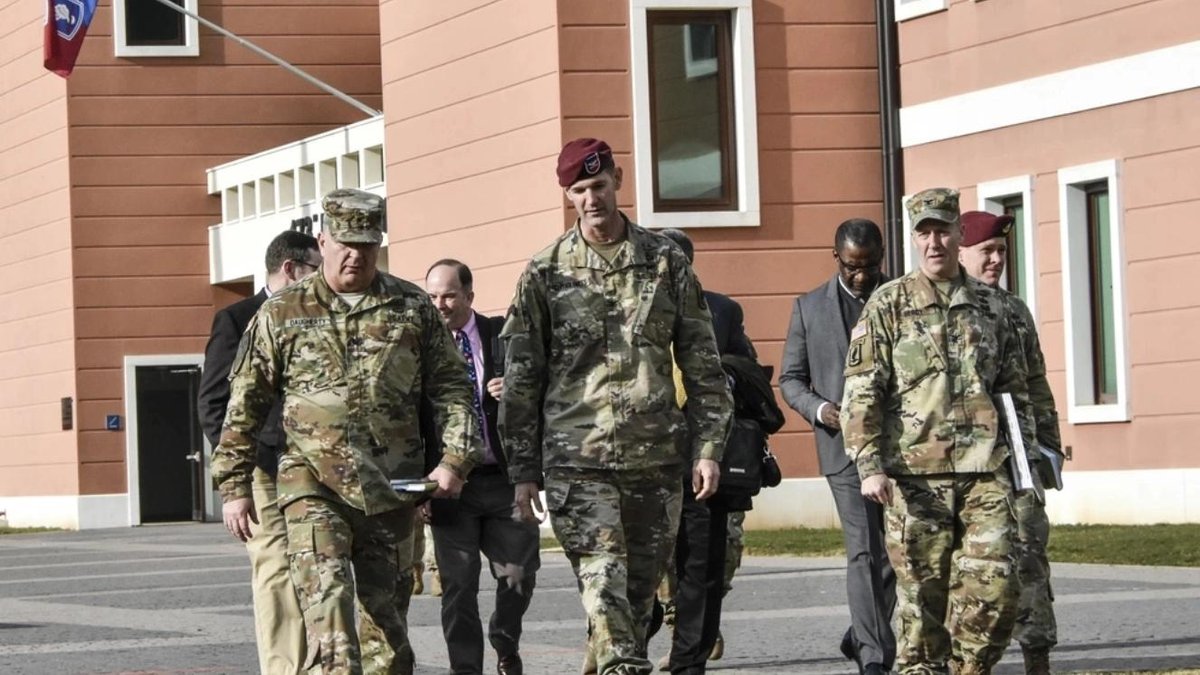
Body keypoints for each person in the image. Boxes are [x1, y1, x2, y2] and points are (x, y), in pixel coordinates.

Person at [211, 188, 483, 675]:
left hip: (392, 489)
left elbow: (453, 388)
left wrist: (453, 460)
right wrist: (234, 486)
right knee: (329, 619)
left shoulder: (411, 306)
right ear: (324, 239)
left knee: (388, 635)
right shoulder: (282, 313)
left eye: (367, 245)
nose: (356, 255)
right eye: (345, 244)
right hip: (311, 486)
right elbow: (245, 403)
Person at [499, 138, 733, 675]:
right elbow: (521, 379)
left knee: (635, 605)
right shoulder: (545, 272)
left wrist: (708, 448)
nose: (591, 199)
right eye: (578, 191)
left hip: (656, 460)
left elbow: (703, 364)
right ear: (568, 197)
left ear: (618, 181)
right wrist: (523, 470)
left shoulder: (665, 261)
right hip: (577, 461)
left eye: (598, 186)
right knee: (602, 586)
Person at [840, 187, 1035, 675]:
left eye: (942, 231)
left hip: (986, 472)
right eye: (924, 232)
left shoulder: (994, 308)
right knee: (920, 605)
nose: (934, 242)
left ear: (957, 233)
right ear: (914, 238)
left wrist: (1029, 463)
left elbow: (1018, 389)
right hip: (913, 479)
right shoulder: (887, 305)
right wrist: (868, 465)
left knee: (997, 587)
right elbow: (862, 391)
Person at [198, 229, 320, 675]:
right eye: (316, 268)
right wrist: (237, 476)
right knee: (277, 571)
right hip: (264, 468)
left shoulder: (321, 314)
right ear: (291, 269)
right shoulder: (237, 319)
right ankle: (285, 668)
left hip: (321, 466)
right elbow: (213, 403)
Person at [779, 218, 896, 675]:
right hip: (842, 451)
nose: (862, 276)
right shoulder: (809, 308)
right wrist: (821, 409)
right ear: (836, 259)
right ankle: (873, 657)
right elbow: (790, 379)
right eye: (852, 267)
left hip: (901, 448)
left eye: (870, 266)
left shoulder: (903, 298)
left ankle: (863, 630)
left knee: (896, 554)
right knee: (865, 549)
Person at [423, 259, 540, 675]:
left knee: (518, 574)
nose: (440, 304)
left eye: (449, 294)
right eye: (433, 296)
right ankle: (466, 668)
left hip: (504, 479)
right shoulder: (421, 347)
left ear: (470, 296)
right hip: (450, 486)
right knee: (459, 586)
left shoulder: (499, 337)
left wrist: (514, 389)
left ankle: (505, 639)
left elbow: (539, 389)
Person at [958, 210, 1061, 675]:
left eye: (1001, 251)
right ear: (962, 252)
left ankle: (1036, 656)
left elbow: (1037, 381)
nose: (997, 259)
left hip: (1019, 453)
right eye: (988, 251)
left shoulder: (1015, 309)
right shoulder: (948, 305)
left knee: (1029, 554)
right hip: (962, 460)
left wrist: (1050, 449)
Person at [655, 228, 753, 675]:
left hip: (703, 451)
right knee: (642, 563)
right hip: (646, 453)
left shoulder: (722, 310)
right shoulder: (630, 307)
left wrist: (723, 372)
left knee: (702, 563)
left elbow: (748, 368)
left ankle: (689, 659)